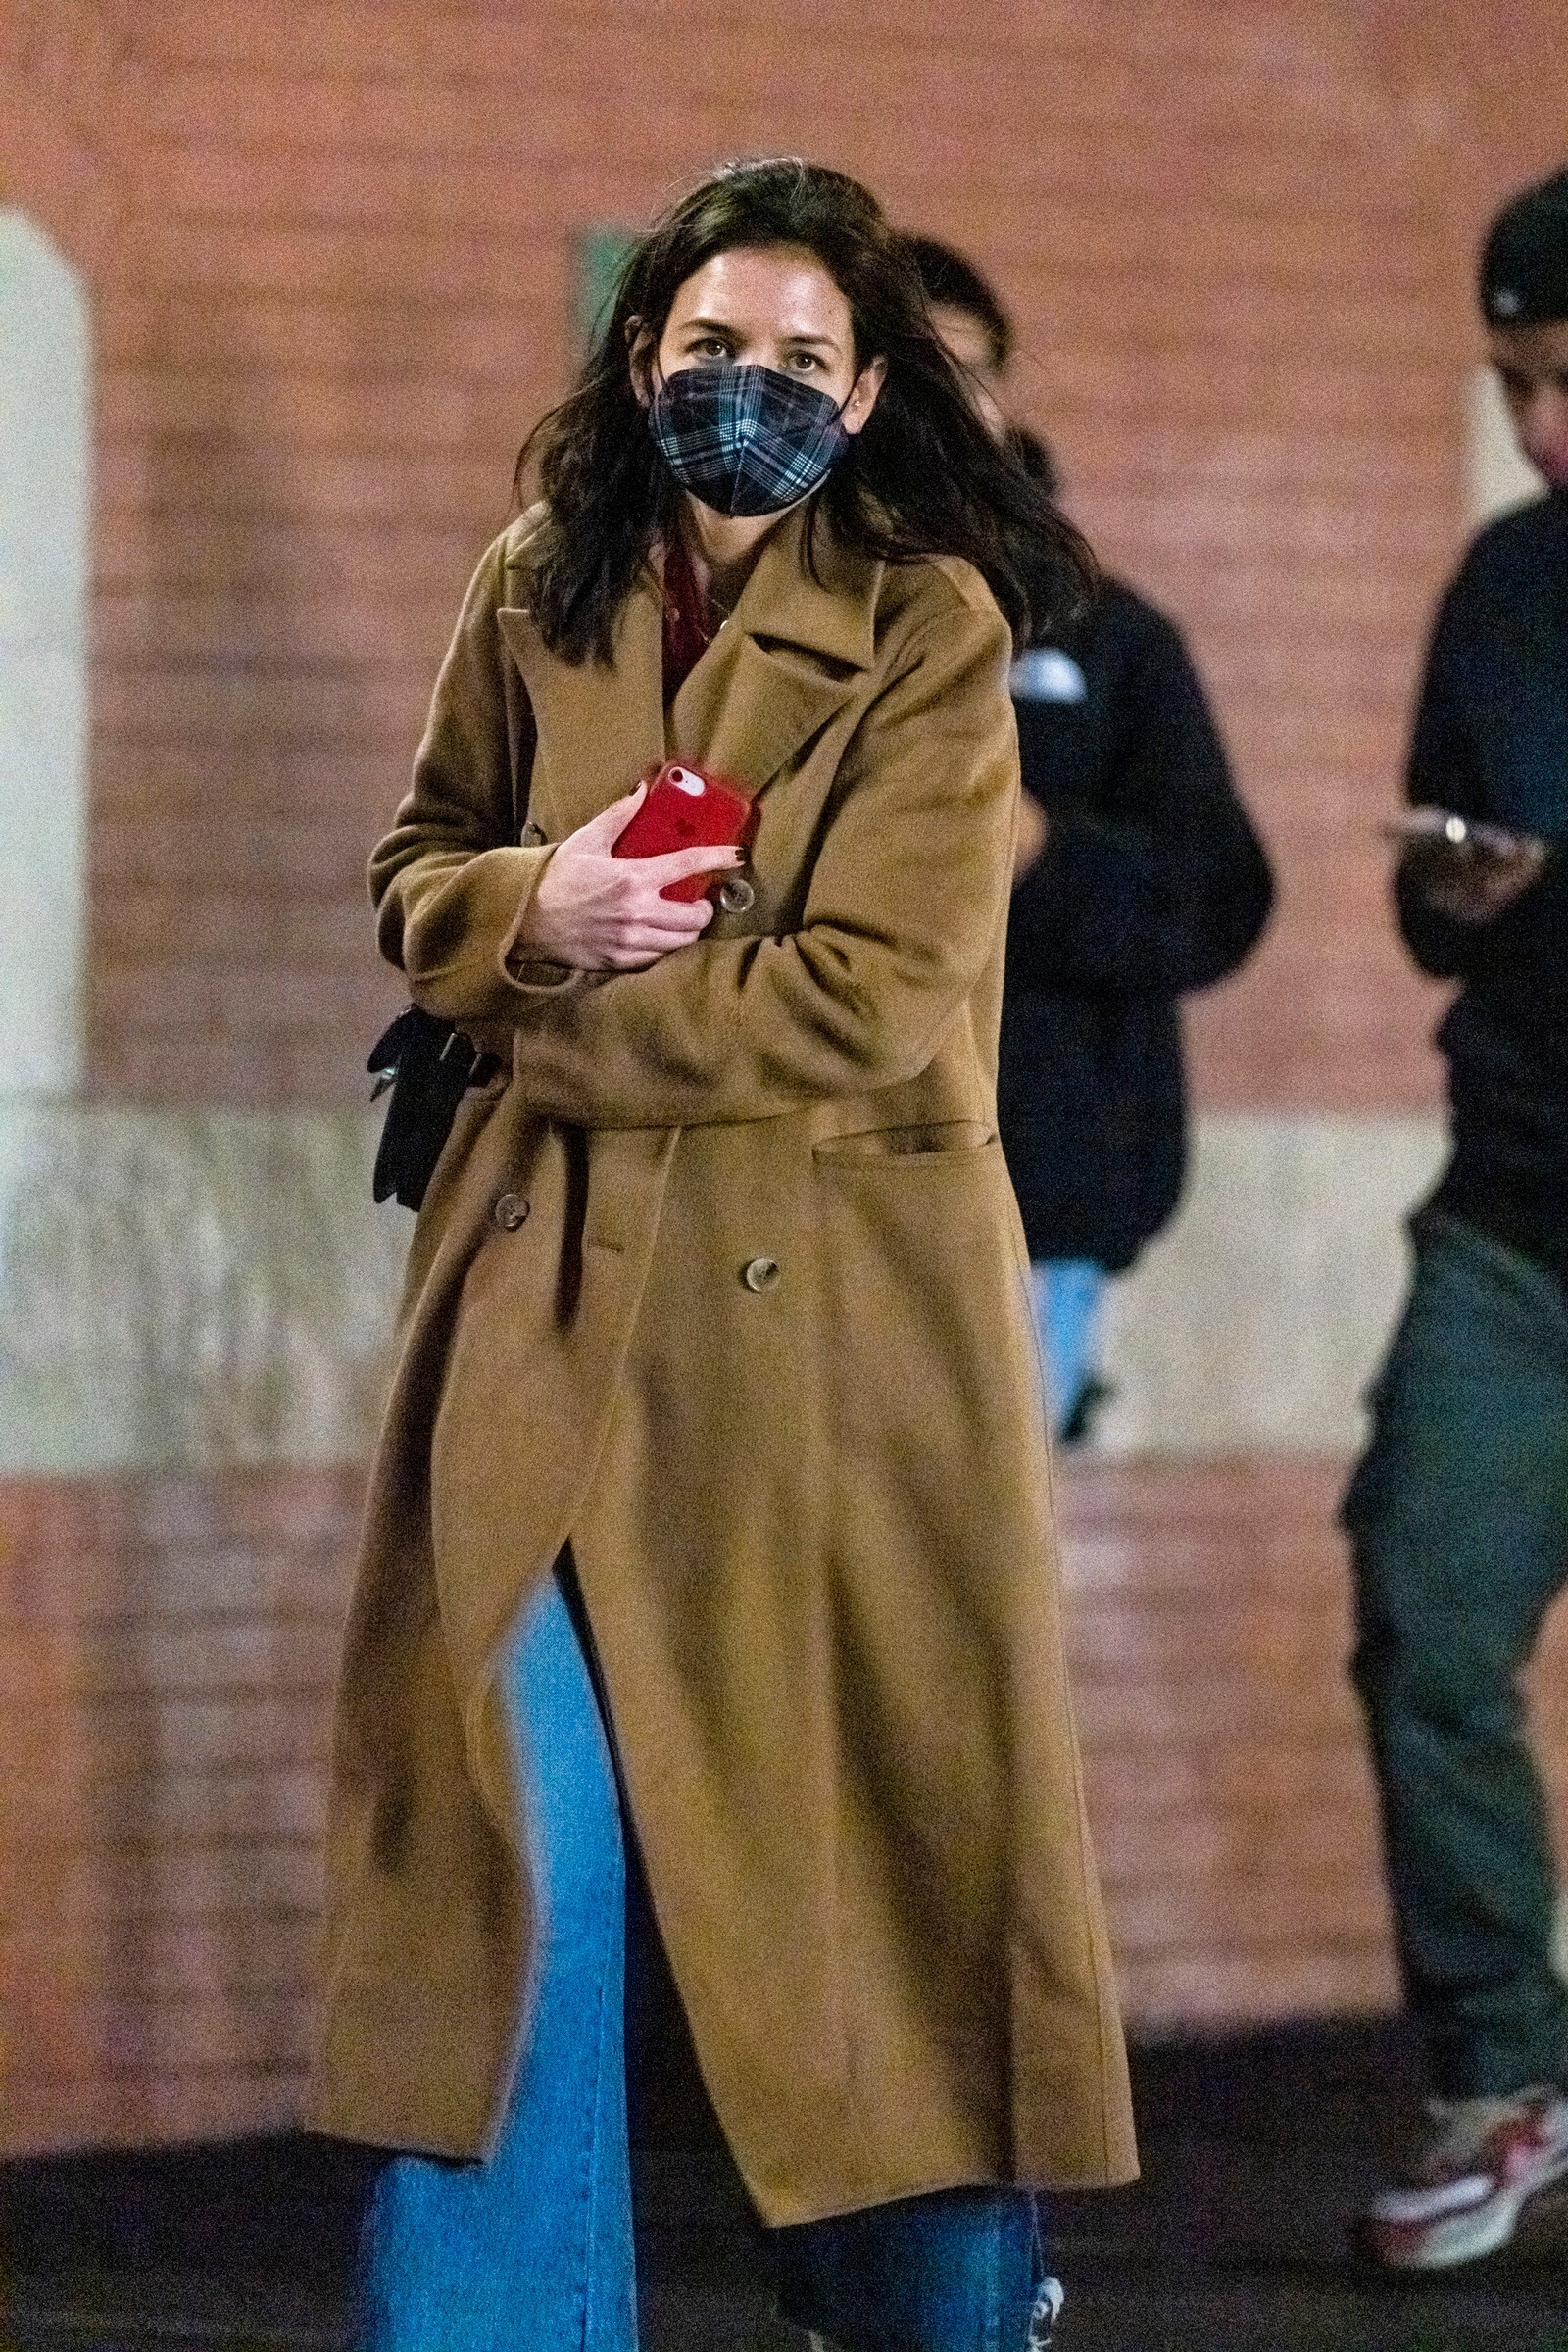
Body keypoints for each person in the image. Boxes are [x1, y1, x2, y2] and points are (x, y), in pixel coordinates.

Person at [313, 158, 1137, 2351]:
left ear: (863, 395)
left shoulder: (934, 629)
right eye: (707, 346)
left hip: (836, 1346)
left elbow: (870, 994)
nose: (744, 388)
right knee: (502, 1862)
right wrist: (532, 908)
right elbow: (417, 865)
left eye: (797, 358)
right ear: (638, 354)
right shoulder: (532, 580)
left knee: (872, 1888)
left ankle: (936, 2309)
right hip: (535, 1307)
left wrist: (540, 1010)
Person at [1345, 165, 1568, 2271]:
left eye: (1567, 378)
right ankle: (1505, 2079)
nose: (1538, 427)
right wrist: (1454, 883)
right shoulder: (1501, 587)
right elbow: (1434, 901)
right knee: (1425, 1619)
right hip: (1515, 1214)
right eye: (1511, 383)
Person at [904, 237, 1274, 1438]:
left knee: (963, 1545)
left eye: (966, 370)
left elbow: (1219, 898)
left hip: (1031, 1193)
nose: (939, 406)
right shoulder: (760, 627)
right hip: (782, 1185)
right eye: (898, 369)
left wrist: (1039, 851)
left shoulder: (1108, 641)